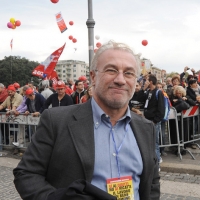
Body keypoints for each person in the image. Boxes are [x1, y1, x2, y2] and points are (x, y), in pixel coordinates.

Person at [13, 41, 160, 200]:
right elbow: (27, 174)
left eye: (129, 73)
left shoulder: (146, 128)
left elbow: (151, 182)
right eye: (111, 70)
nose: (120, 80)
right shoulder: (56, 121)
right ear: (93, 76)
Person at [137, 74, 165, 166]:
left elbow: (161, 109)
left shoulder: (158, 92)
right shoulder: (148, 91)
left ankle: (156, 164)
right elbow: (140, 98)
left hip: (153, 121)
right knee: (147, 142)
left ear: (151, 82)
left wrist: (155, 120)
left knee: (154, 143)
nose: (145, 82)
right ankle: (150, 163)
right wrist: (143, 89)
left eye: (146, 80)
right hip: (146, 119)